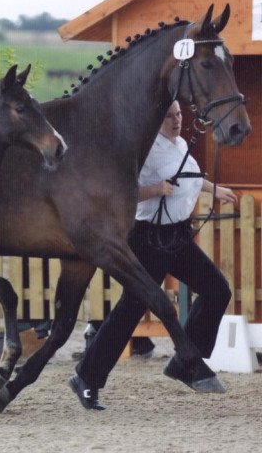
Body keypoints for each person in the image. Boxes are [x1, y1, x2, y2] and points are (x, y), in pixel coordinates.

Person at [69, 100, 237, 410]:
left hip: (177, 237)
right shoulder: (146, 148)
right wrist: (155, 189)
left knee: (217, 290)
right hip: (148, 238)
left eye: (179, 115)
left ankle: (185, 362)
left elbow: (188, 176)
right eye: (169, 116)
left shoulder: (180, 143)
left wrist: (214, 189)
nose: (176, 120)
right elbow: (124, 191)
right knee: (130, 311)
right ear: (155, 119)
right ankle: (86, 378)